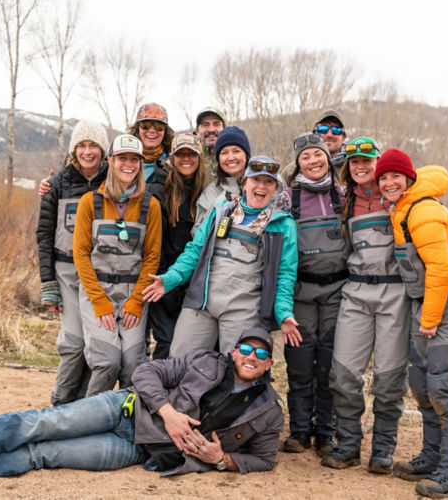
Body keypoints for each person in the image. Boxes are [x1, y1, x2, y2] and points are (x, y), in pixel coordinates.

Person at [0, 329, 284, 482]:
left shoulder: (269, 410)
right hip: (125, 409)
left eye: (261, 353)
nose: (252, 356)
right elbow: (146, 372)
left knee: (41, 455)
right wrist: (167, 413)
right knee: (39, 424)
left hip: (137, 450)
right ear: (234, 352)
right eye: (246, 349)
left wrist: (221, 460)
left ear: (269, 364)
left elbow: (264, 459)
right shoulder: (204, 361)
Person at [323, 138, 448, 474]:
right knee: (343, 374)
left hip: (396, 295)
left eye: (367, 161)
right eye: (354, 162)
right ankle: (348, 445)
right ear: (347, 167)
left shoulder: (404, 196)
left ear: (379, 165)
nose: (361, 167)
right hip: (355, 292)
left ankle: (383, 450)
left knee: (389, 378)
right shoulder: (344, 199)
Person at [377, 149, 448, 499]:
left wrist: (431, 320)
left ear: (410, 179)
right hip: (425, 305)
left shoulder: (422, 210)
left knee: (444, 387)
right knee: (421, 384)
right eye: (383, 178)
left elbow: (441, 269)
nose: (389, 182)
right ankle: (432, 457)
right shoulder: (402, 208)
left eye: (395, 176)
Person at [143, 153, 302, 357]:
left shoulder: (282, 224)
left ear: (275, 188)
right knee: (180, 360)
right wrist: (170, 279)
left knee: (239, 366)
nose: (261, 186)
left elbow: (285, 274)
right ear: (244, 183)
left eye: (268, 182)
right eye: (256, 180)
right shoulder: (221, 211)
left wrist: (283, 313)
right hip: (202, 303)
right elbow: (194, 250)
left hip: (245, 309)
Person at [72, 134, 162, 396]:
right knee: (107, 362)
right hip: (97, 292)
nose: (128, 165)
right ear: (110, 161)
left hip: (133, 294)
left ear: (141, 164)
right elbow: (81, 255)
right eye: (122, 158)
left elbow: (152, 258)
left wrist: (136, 302)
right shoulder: (90, 202)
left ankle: (126, 416)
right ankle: (89, 414)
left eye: (134, 159)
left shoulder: (151, 206)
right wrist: (99, 301)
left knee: (133, 364)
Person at [280, 133, 349, 457]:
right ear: (298, 164)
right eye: (305, 157)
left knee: (329, 365)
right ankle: (299, 431)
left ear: (327, 158)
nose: (313, 161)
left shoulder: (344, 195)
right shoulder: (286, 198)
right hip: (300, 294)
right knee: (300, 364)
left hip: (338, 293)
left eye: (317, 155)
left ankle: (326, 433)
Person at [36, 119, 109, 406]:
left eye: (93, 146)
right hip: (66, 273)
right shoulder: (56, 183)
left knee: (95, 344)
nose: (87, 152)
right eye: (82, 145)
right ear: (73, 149)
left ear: (103, 150)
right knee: (74, 343)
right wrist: (48, 283)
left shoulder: (112, 182)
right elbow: (44, 236)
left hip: (100, 272)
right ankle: (61, 403)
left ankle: (82, 408)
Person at [145, 133, 208, 359]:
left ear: (199, 158)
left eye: (192, 154)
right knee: (167, 341)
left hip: (193, 283)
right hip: (161, 279)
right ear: (172, 158)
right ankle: (157, 382)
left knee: (190, 346)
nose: (186, 159)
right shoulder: (157, 191)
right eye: (181, 154)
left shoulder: (205, 192)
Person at [191, 125, 250, 234]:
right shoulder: (210, 192)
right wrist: (218, 206)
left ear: (246, 155)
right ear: (218, 159)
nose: (230, 158)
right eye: (224, 153)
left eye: (236, 151)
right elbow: (197, 233)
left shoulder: (267, 183)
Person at [280, 109, 349, 184]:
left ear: (344, 137)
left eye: (336, 130)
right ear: (314, 133)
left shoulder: (352, 168)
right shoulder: (291, 171)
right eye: (323, 129)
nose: (329, 134)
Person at [127, 102, 175, 184]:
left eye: (159, 126)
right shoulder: (121, 159)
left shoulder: (174, 164)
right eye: (145, 125)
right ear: (137, 129)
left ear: (165, 131)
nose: (152, 130)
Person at [194, 106, 226, 173]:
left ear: (224, 129)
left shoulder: (235, 157)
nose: (211, 130)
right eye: (205, 125)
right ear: (197, 131)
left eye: (217, 124)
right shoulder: (190, 159)